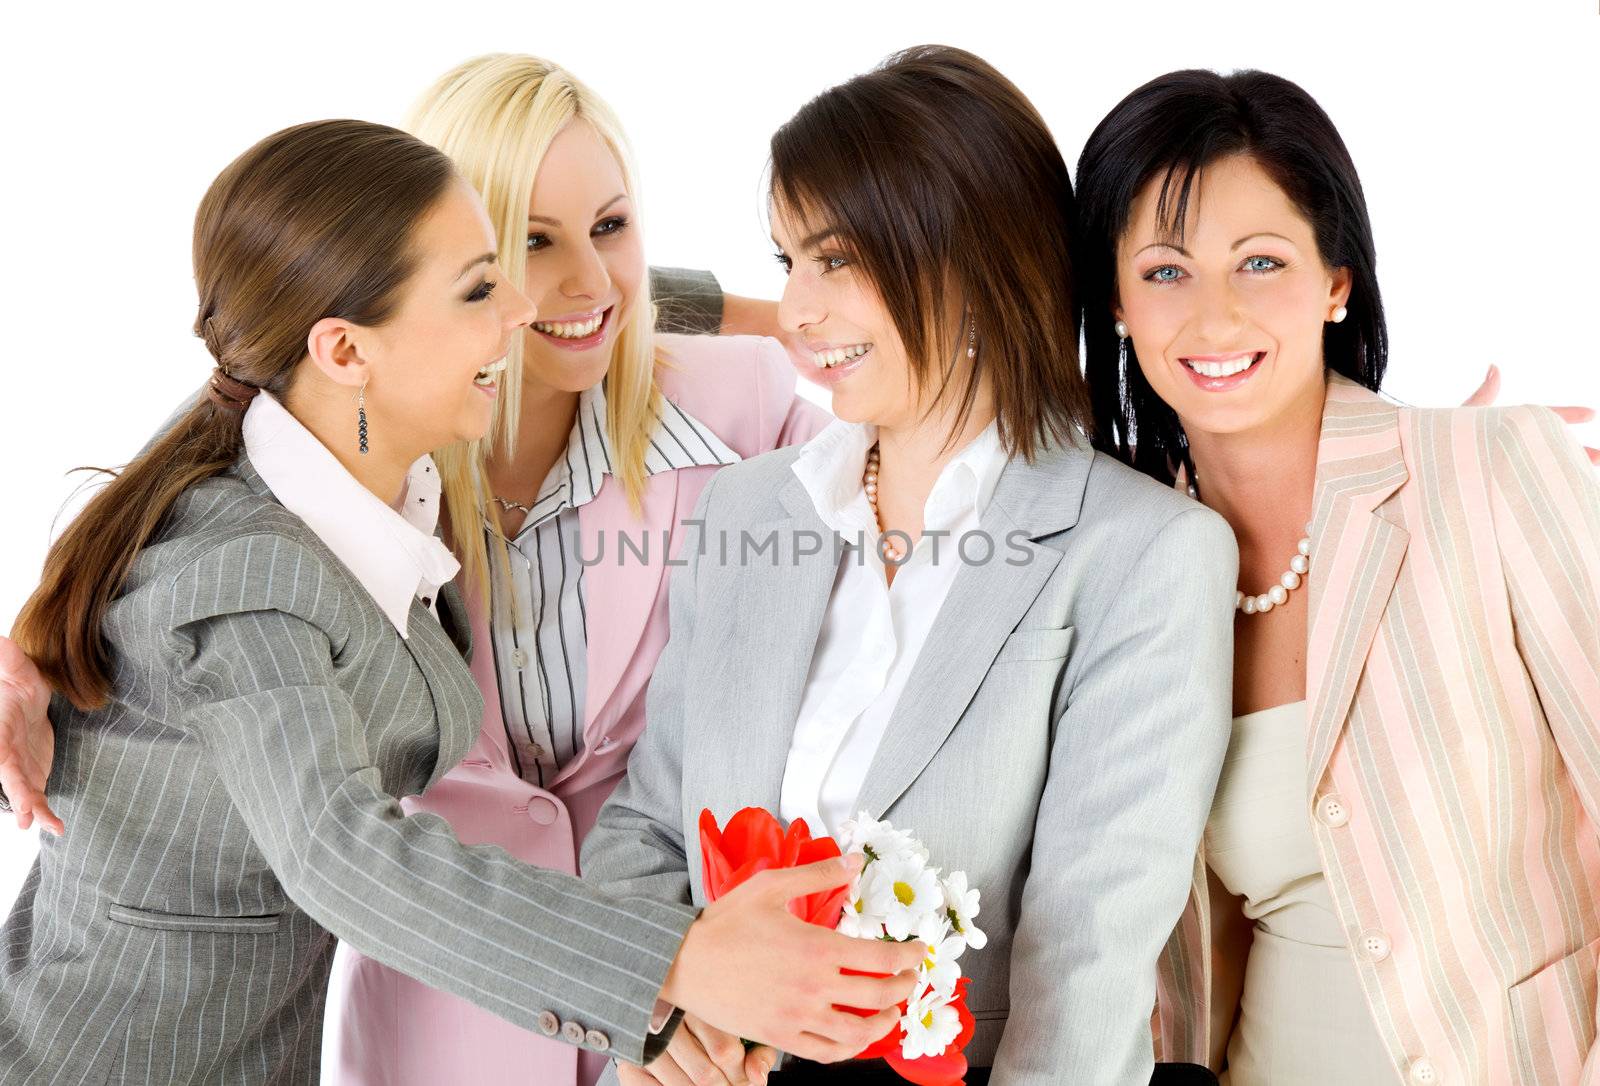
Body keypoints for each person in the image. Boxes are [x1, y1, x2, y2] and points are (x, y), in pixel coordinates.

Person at [0, 118, 921, 1085]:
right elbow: (341, 852)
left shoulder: (323, 441)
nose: (527, 309)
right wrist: (676, 962)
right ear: (345, 349)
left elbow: (590, 302)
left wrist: (798, 314)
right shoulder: (249, 576)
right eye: (486, 283)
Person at [581, 46, 1236, 1085]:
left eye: (835, 260)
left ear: (973, 259)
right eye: (786, 261)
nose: (794, 311)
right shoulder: (748, 510)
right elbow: (646, 827)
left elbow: (1085, 960)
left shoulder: (1143, 552)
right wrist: (660, 1018)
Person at [1073, 68, 1600, 1084]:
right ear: (1118, 302)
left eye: (1259, 262)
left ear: (1335, 280)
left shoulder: (1486, 473)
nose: (1214, 318)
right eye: (1167, 273)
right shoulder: (1125, 561)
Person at [317, 54, 831, 1086]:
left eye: (610, 226)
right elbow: (198, 497)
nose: (590, 282)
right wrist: (40, 640)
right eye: (529, 243)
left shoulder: (747, 410)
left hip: (693, 1030)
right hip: (445, 1022)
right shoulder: (356, 447)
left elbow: (918, 477)